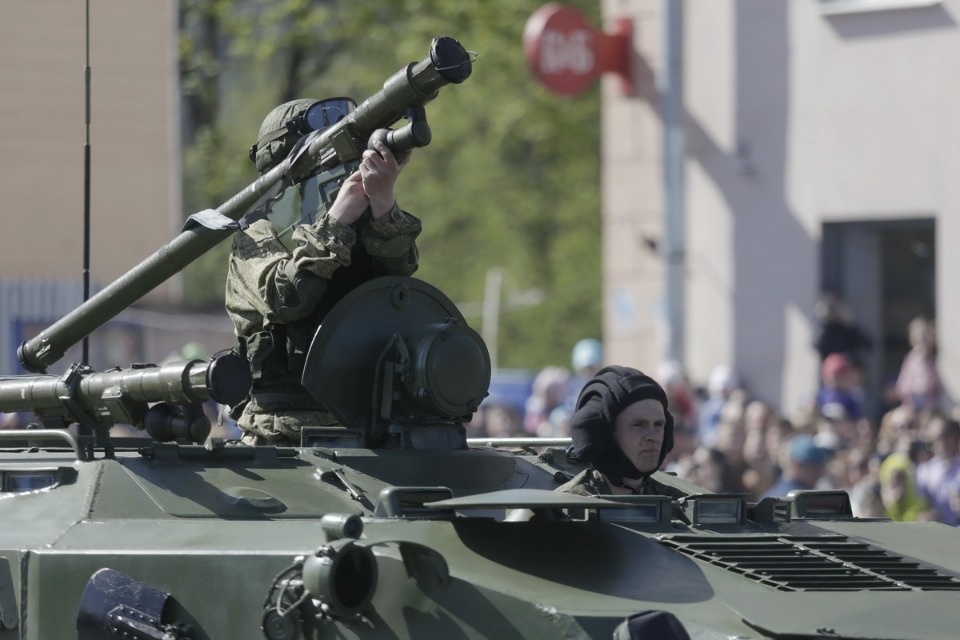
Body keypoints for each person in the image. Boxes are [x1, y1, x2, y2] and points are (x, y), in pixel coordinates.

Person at [225, 98, 421, 445]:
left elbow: (400, 279)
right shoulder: (254, 237)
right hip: (280, 439)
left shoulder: (361, 229)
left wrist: (382, 204)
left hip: (366, 434)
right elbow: (287, 298)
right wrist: (336, 221)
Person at [556, 365, 680, 497]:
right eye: (638, 425)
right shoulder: (563, 509)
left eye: (658, 424)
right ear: (602, 434)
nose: (653, 437)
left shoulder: (679, 504)